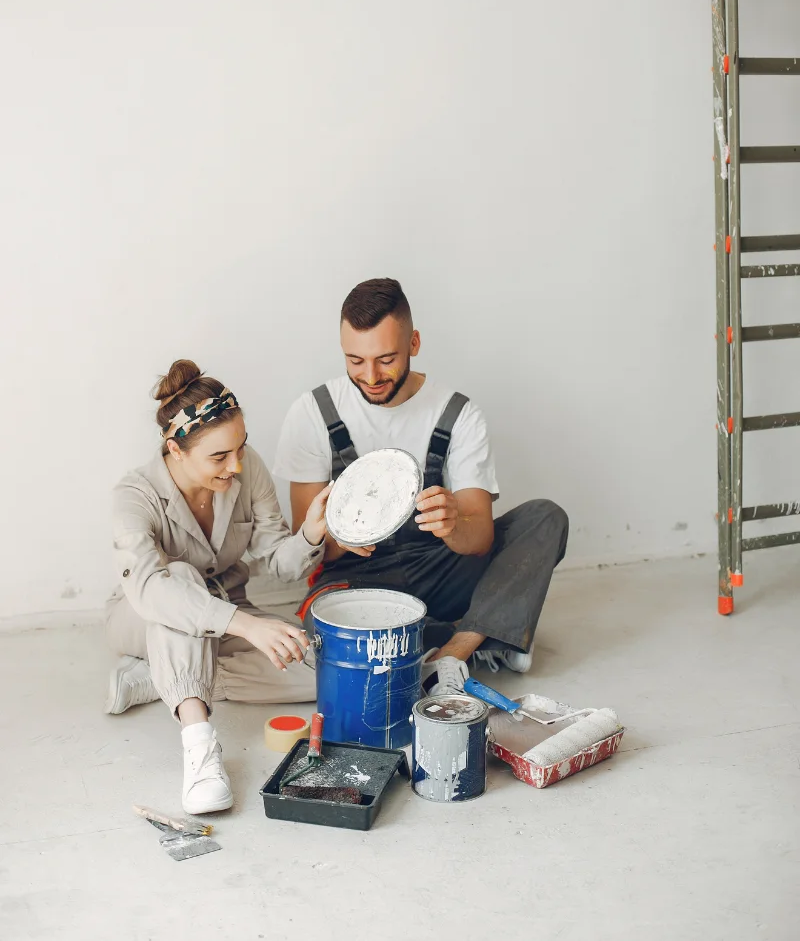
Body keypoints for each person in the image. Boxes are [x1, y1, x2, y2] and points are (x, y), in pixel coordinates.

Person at [272, 278, 569, 697]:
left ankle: (451, 653)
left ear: (413, 343)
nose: (370, 376)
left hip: (439, 566)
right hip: (356, 580)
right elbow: (306, 545)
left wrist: (454, 525)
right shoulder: (312, 413)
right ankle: (487, 632)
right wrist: (338, 534)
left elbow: (481, 538)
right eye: (355, 360)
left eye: (386, 359)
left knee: (544, 518)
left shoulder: (458, 414)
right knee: (325, 623)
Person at [105, 359, 330, 815]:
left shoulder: (246, 468)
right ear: (175, 448)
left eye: (240, 447)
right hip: (143, 617)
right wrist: (248, 626)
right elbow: (151, 588)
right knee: (180, 580)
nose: (236, 465)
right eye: (220, 457)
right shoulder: (134, 495)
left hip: (227, 610)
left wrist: (311, 532)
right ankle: (200, 749)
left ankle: (164, 678)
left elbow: (278, 561)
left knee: (321, 670)